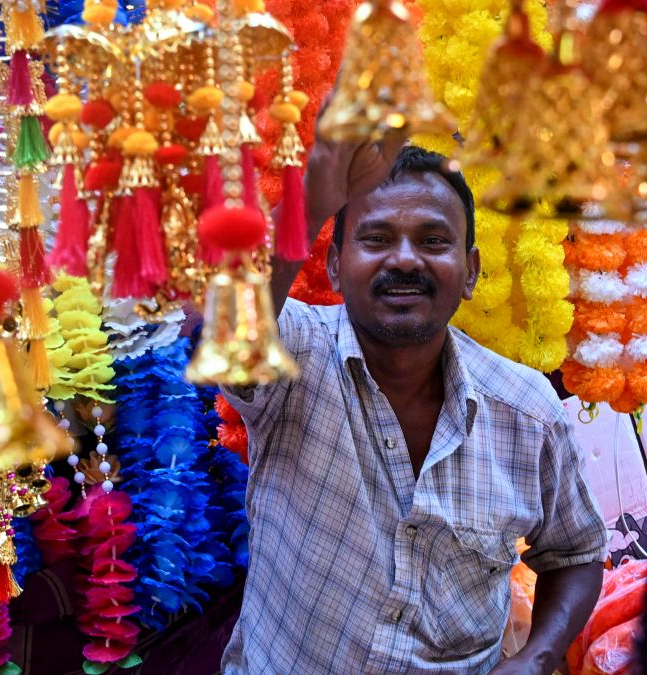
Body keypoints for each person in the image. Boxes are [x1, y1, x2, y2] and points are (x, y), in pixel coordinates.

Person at [219, 108, 608, 673]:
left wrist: (536, 658)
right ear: (332, 263)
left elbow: (575, 553)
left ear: (471, 271)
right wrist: (308, 199)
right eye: (376, 238)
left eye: (433, 240)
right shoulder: (293, 356)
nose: (404, 259)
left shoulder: (527, 412)